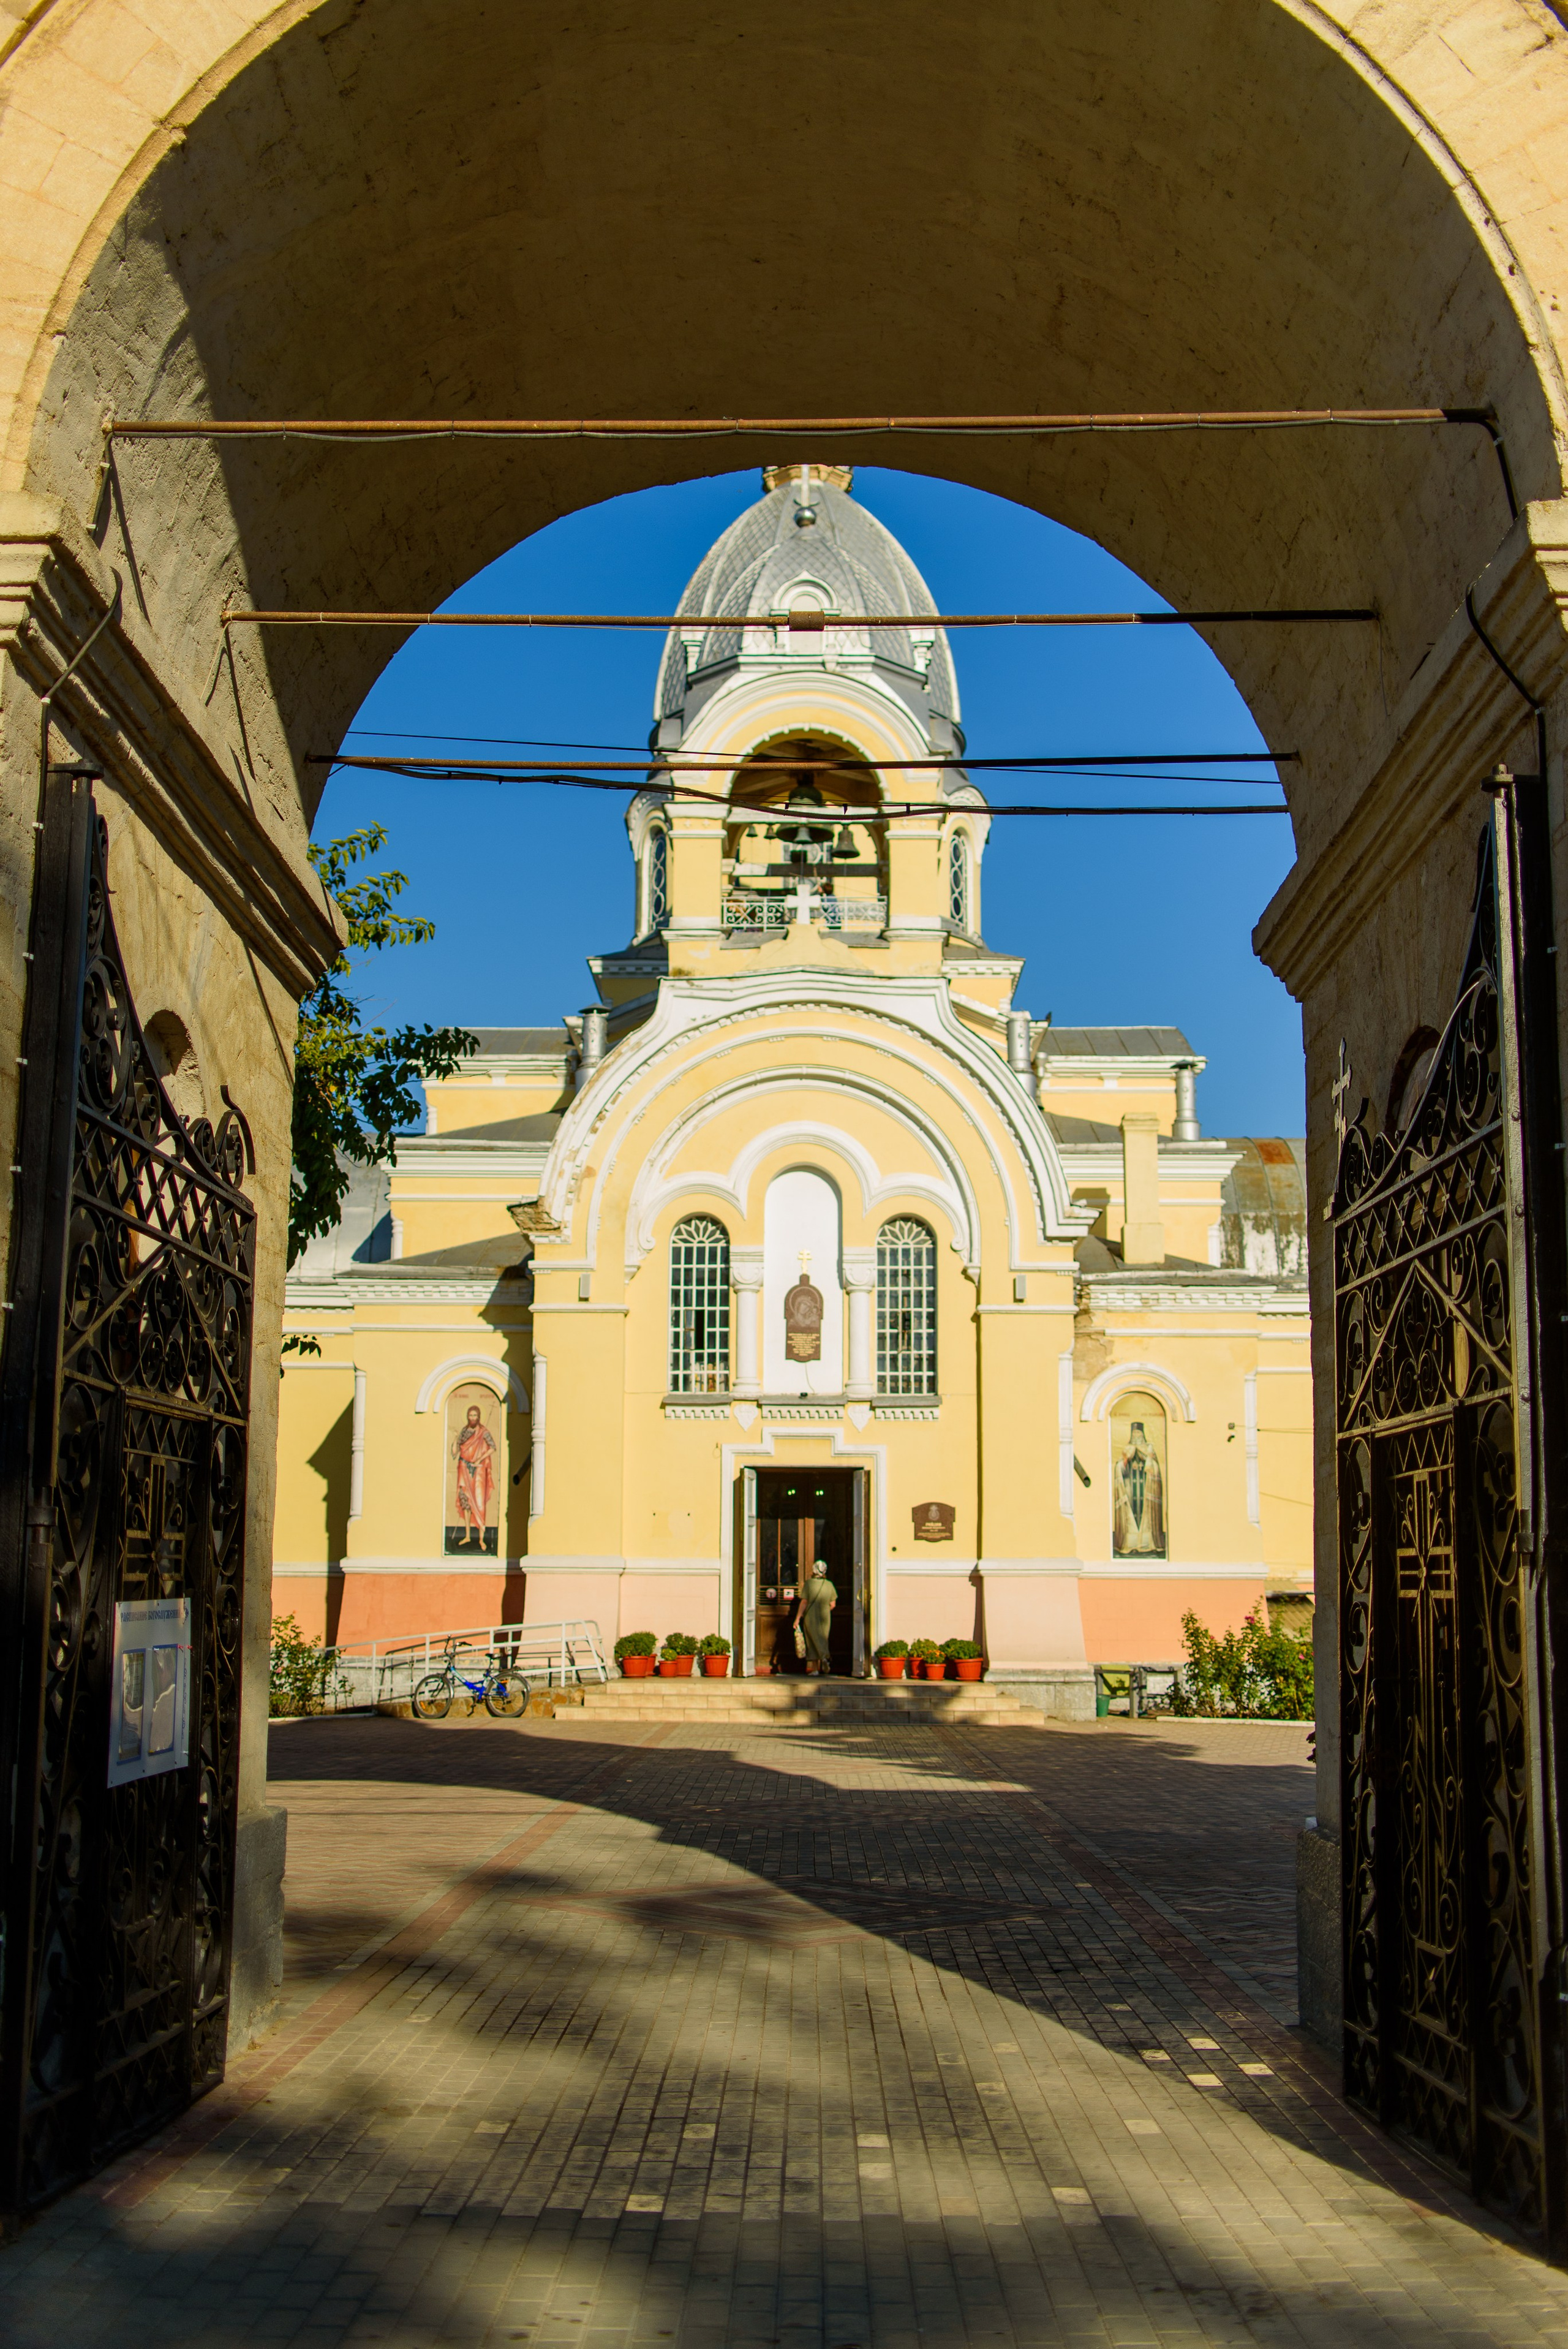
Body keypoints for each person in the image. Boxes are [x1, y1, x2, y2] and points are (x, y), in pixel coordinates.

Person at [451, 1404, 498, 1548]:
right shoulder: (464, 1432)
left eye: (475, 1416)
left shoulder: (483, 1432)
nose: (473, 1418)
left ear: (479, 1417)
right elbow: (455, 1453)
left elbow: (493, 1448)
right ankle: (467, 1536)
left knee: (478, 1503)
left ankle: (481, 1540)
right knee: (466, 1503)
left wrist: (479, 1459)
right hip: (464, 1469)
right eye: (470, 1415)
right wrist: (455, 1439)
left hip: (477, 1472)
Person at [793, 1558, 837, 1674]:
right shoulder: (829, 1585)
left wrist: (797, 1618)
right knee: (822, 1639)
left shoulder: (809, 1584)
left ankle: (816, 1668)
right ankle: (823, 1658)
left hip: (810, 1616)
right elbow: (833, 1605)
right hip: (825, 1617)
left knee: (811, 1640)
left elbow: (804, 1602)